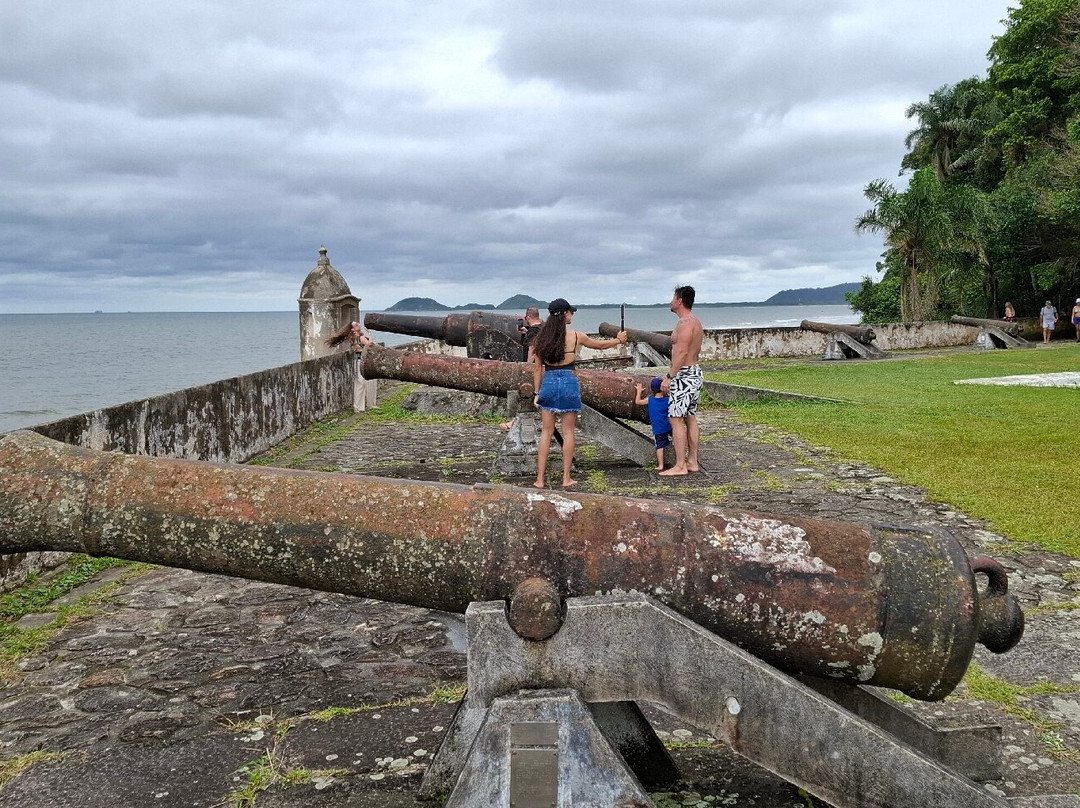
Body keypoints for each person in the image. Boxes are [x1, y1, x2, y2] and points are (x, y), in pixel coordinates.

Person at [532, 298, 627, 489]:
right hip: (568, 381)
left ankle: (540, 480)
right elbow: (600, 346)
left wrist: (536, 393)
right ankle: (566, 478)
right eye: (570, 312)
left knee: (546, 432)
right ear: (564, 314)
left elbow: (537, 369)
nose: (572, 315)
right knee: (568, 431)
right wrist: (619, 340)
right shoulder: (575, 336)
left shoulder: (541, 339)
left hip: (549, 382)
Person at [659, 285, 704, 476]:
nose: (671, 301)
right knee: (690, 417)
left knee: (675, 418)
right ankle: (692, 461)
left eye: (673, 297)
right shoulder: (695, 322)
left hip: (684, 375)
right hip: (693, 372)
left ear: (679, 301)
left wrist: (670, 376)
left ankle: (680, 465)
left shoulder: (685, 323)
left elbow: (683, 351)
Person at [635, 376, 672, 471]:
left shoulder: (650, 400)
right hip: (669, 426)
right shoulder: (667, 400)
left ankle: (661, 465)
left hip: (658, 429)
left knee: (660, 446)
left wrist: (639, 391)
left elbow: (638, 402)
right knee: (676, 437)